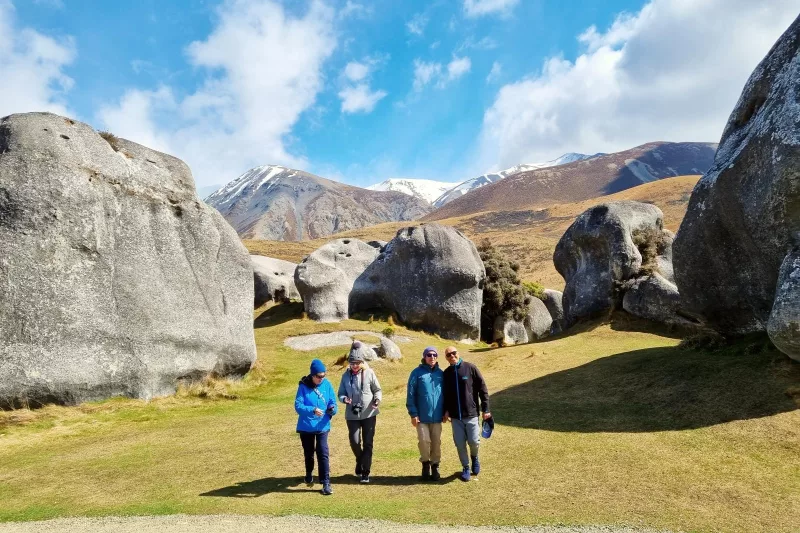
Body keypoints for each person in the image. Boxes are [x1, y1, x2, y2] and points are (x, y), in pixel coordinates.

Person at [442, 346, 490, 482]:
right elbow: (445, 395)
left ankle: (474, 458)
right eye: (448, 355)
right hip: (455, 417)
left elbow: (483, 389)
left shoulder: (470, 368)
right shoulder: (446, 373)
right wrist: (445, 410)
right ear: (446, 358)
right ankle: (466, 467)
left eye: (454, 353)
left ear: (458, 353)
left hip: (472, 414)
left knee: (474, 441)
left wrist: (486, 409)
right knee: (460, 443)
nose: (452, 356)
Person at [338, 341, 382, 484]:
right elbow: (340, 393)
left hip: (369, 413)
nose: (355, 365)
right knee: (355, 441)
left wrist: (376, 400)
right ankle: (359, 459)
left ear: (361, 362)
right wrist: (344, 399)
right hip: (352, 415)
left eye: (357, 363)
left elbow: (378, 390)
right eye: (352, 363)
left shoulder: (369, 373)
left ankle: (365, 471)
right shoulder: (345, 376)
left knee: (368, 443)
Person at [295, 358, 338, 495]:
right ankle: (309, 473)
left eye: (323, 376)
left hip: (323, 426)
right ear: (312, 375)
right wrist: (312, 409)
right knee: (309, 453)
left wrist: (332, 409)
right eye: (319, 376)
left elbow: (333, 402)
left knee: (323, 453)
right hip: (306, 426)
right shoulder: (303, 386)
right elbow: (298, 406)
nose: (321, 379)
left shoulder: (327, 385)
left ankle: (326, 483)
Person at [406, 346, 444, 481]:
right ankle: (425, 464)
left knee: (436, 443)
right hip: (421, 416)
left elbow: (445, 395)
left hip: (438, 416)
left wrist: (446, 411)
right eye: (429, 355)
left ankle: (435, 466)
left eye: (434, 355)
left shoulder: (441, 374)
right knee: (424, 441)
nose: (432, 357)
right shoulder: (416, 373)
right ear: (424, 357)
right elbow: (411, 394)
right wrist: (413, 413)